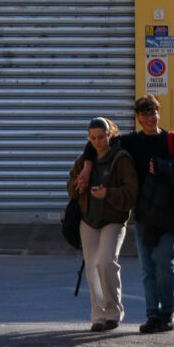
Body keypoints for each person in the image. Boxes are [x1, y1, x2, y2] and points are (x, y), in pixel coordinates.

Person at [119, 94, 174, 334]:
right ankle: (152, 314)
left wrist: (165, 166)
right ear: (138, 118)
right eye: (145, 114)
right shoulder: (131, 141)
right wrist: (87, 166)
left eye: (153, 113)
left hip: (168, 213)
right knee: (147, 268)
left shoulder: (172, 141)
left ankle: (168, 312)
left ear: (159, 114)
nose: (150, 118)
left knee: (163, 261)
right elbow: (99, 143)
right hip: (144, 213)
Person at [67, 116, 138, 332]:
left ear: (110, 134)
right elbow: (70, 188)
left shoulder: (121, 158)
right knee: (91, 268)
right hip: (88, 218)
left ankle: (113, 312)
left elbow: (131, 192)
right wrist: (78, 186)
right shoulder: (84, 160)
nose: (98, 142)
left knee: (106, 262)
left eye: (101, 137)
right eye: (93, 138)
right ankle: (98, 316)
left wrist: (107, 193)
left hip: (113, 218)